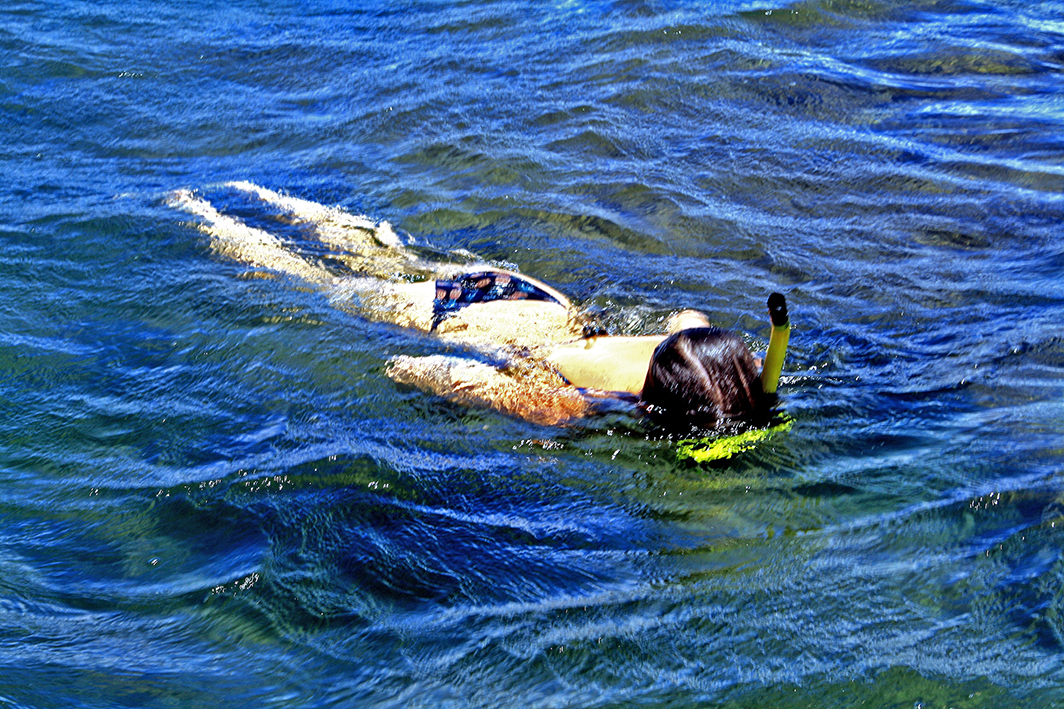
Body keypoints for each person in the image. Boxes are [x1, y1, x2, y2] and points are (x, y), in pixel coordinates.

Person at [169, 182, 781, 428]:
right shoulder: (575, 405)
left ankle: (259, 196)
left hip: (533, 298)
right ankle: (196, 210)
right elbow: (447, 373)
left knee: (376, 253)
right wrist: (410, 372)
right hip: (474, 321)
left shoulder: (686, 346)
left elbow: (690, 317)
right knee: (314, 280)